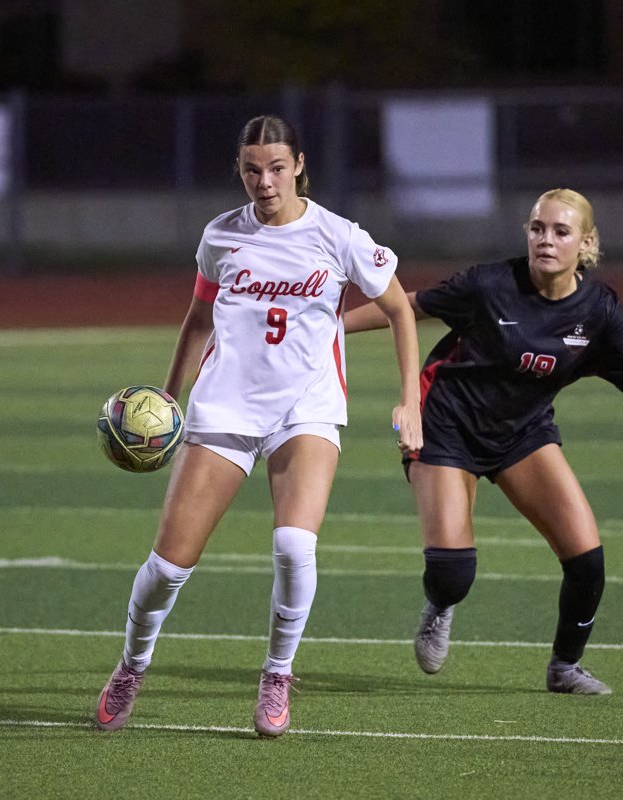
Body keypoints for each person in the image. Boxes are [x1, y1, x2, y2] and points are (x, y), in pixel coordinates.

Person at [95, 115, 423, 737]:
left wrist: (411, 400)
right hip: (225, 407)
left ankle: (277, 673)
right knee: (167, 567)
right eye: (252, 169)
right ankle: (131, 666)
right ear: (240, 171)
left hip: (307, 407)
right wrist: (168, 399)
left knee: (295, 545)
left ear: (299, 164)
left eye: (276, 168)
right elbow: (198, 320)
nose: (265, 182)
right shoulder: (220, 236)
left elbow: (401, 309)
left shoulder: (339, 235)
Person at [344, 188, 623, 694]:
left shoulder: (598, 311)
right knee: (454, 574)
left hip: (522, 433)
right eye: (537, 228)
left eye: (560, 231)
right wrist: (328, 327)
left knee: (587, 560)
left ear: (586, 242)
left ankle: (564, 668)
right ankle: (440, 605)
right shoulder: (489, 284)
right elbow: (406, 305)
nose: (545, 240)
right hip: (445, 424)